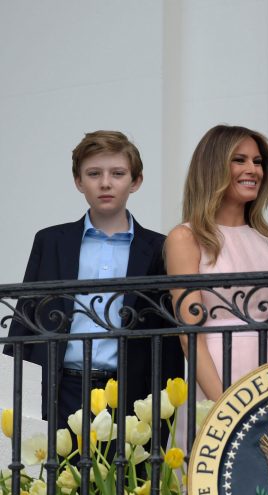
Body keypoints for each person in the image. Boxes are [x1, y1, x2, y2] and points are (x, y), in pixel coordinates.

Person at [4, 130, 185, 431]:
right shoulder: (51, 241)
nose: (105, 183)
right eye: (94, 173)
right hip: (59, 390)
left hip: (130, 394)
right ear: (79, 181)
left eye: (118, 173)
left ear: (136, 181)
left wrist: (164, 414)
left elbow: (168, 337)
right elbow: (25, 319)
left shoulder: (159, 248)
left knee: (125, 465)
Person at [165, 125, 268, 405]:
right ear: (213, 168)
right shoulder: (186, 237)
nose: (253, 170)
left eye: (257, 162)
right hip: (219, 384)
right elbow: (189, 336)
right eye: (239, 160)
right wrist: (225, 407)